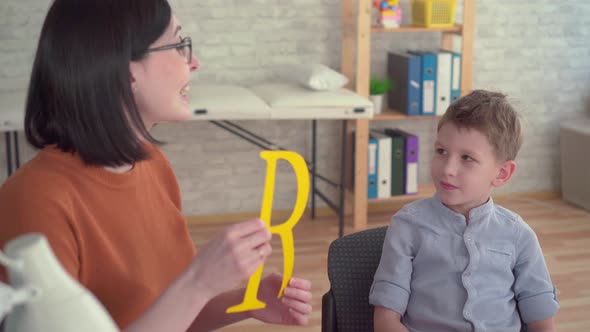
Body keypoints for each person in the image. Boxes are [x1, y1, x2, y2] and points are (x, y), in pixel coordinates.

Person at [0, 0, 312, 331]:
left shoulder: (153, 165)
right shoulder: (33, 200)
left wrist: (245, 301)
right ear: (125, 69)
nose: (193, 62)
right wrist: (198, 282)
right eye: (179, 45)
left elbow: (171, 315)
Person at [369, 90, 559, 332]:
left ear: (502, 173)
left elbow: (541, 319)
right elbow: (386, 320)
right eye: (441, 151)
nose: (447, 168)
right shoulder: (407, 225)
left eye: (467, 158)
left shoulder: (520, 235)